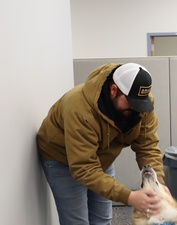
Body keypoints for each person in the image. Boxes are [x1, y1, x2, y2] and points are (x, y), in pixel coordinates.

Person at [37, 62, 169, 225]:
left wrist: (158, 184)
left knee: (102, 219)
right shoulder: (78, 109)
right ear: (113, 90)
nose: (136, 109)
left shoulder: (142, 104)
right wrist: (129, 197)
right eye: (131, 103)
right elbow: (84, 167)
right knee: (78, 221)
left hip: (101, 156)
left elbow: (147, 146)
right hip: (62, 159)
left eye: (140, 103)